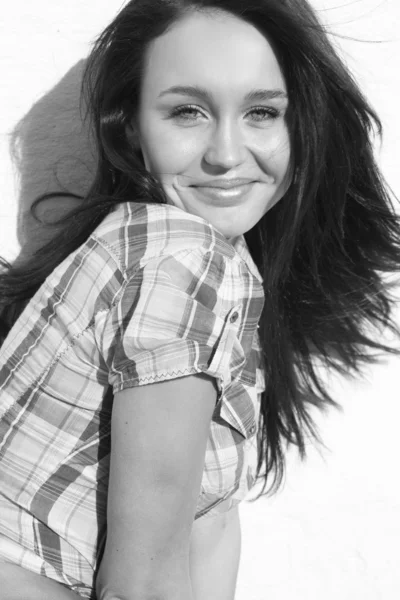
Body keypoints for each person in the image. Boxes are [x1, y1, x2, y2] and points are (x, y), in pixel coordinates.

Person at [1, 0, 400, 598]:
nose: (226, 154)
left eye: (262, 111)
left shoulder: (191, 254)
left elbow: (204, 529)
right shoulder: (181, 256)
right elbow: (142, 583)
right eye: (188, 111)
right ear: (130, 124)